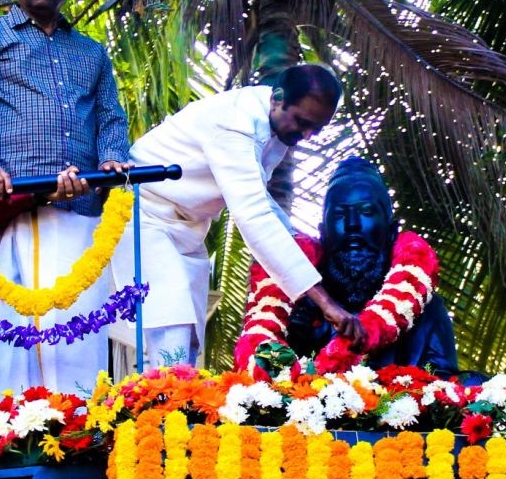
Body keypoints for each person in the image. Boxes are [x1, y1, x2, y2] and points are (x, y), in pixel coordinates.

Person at [0, 0, 130, 401]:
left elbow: (112, 118)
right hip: (17, 210)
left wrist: (113, 158)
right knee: (16, 334)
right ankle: (3, 446)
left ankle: (77, 439)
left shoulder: (91, 52)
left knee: (78, 329)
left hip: (82, 213)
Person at [113, 63, 361, 367]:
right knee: (170, 334)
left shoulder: (275, 124)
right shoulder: (234, 123)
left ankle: (174, 412)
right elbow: (252, 215)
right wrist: (325, 303)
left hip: (188, 230)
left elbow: (261, 199)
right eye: (302, 122)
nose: (307, 135)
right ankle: (158, 413)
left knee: (188, 344)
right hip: (145, 216)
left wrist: (301, 241)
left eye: (316, 129)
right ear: (278, 98)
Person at [281, 157, 458, 371]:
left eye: (365, 211)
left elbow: (445, 383)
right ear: (322, 232)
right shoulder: (299, 306)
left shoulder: (425, 310)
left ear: (392, 231)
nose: (352, 225)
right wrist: (298, 335)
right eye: (339, 214)